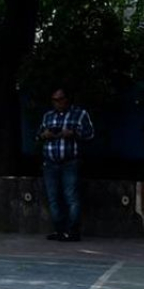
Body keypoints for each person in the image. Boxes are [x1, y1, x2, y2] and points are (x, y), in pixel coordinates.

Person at [39, 87, 95, 242]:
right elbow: (38, 135)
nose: (57, 103)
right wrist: (45, 135)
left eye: (60, 99)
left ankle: (72, 231)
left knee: (71, 197)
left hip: (70, 162)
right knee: (53, 198)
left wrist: (73, 133)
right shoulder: (48, 116)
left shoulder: (80, 114)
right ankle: (59, 230)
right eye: (54, 100)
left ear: (66, 99)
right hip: (50, 162)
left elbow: (90, 134)